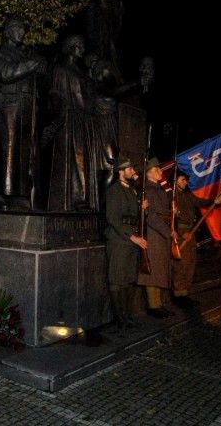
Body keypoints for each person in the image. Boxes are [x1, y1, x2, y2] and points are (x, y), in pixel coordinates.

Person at [0, 16, 47, 210]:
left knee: (24, 152)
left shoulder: (25, 57)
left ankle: (22, 191)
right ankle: (8, 193)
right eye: (18, 28)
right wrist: (33, 65)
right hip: (8, 104)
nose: (22, 33)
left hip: (26, 106)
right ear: (7, 31)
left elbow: (39, 83)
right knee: (8, 149)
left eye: (23, 29)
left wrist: (41, 71)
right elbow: (5, 73)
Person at [45, 35, 97, 211]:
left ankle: (83, 198)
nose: (82, 49)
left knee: (84, 160)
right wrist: (59, 111)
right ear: (71, 47)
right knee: (74, 158)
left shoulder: (81, 72)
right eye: (80, 46)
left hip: (84, 119)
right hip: (70, 118)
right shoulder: (60, 69)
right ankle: (76, 199)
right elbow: (54, 94)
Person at [105, 157, 148, 332]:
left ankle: (128, 316)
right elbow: (113, 218)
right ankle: (120, 320)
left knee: (130, 280)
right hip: (119, 240)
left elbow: (133, 216)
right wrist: (133, 237)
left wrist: (141, 208)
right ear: (120, 171)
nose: (133, 171)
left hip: (131, 240)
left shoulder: (132, 191)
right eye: (129, 169)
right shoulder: (114, 191)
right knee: (117, 281)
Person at [172, 170, 221, 308]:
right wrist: (181, 234)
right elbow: (169, 218)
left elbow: (200, 202)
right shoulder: (171, 196)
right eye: (182, 180)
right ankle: (178, 294)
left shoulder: (187, 194)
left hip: (190, 231)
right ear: (175, 181)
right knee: (180, 264)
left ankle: (185, 293)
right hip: (180, 233)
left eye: (185, 180)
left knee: (190, 262)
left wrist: (213, 201)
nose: (185, 182)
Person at [137, 157, 175, 318]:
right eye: (158, 170)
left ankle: (159, 304)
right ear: (149, 173)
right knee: (152, 271)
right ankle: (153, 306)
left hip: (162, 234)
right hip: (154, 235)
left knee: (160, 270)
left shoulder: (159, 189)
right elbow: (151, 216)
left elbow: (164, 214)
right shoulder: (149, 190)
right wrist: (167, 232)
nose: (161, 172)